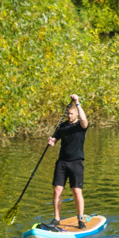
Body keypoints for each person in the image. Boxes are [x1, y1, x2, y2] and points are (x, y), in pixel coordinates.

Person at [48, 94, 88, 228]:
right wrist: (51, 141)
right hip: (62, 162)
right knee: (57, 190)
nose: (69, 116)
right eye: (68, 114)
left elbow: (84, 119)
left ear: (76, 114)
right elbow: (54, 140)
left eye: (71, 114)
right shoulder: (62, 126)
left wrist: (77, 102)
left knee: (76, 191)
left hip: (76, 162)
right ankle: (56, 219)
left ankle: (80, 220)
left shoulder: (81, 126)